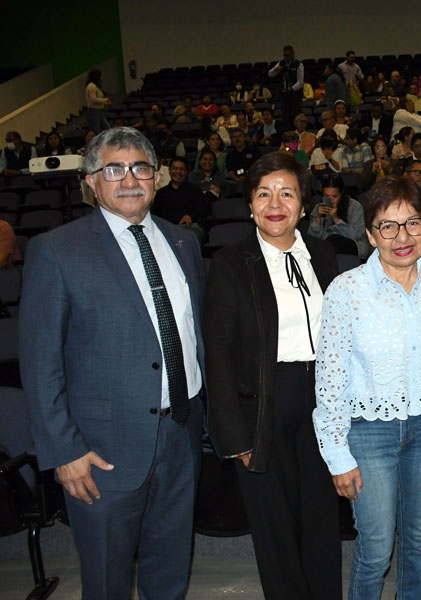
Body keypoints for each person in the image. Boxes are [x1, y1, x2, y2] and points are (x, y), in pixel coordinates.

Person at [19, 127, 206, 598]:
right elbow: (41, 364)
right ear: (91, 181)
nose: (129, 179)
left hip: (181, 435)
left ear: (157, 177)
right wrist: (64, 452)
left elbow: (193, 336)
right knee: (107, 579)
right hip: (100, 452)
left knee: (169, 570)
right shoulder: (56, 250)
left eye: (141, 168)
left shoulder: (183, 242)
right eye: (114, 169)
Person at [313, 174, 421, 598]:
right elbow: (329, 377)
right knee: (377, 548)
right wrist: (337, 453)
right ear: (370, 233)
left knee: (418, 541)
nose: (402, 236)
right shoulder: (347, 291)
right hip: (369, 433)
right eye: (388, 225)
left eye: (413, 223)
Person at [204, 151, 341, 599]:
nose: (275, 203)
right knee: (274, 523)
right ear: (249, 205)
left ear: (303, 205)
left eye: (287, 193)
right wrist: (233, 435)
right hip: (261, 403)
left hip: (320, 398)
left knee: (322, 517)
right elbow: (218, 356)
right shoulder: (229, 263)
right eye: (263, 194)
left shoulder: (322, 255)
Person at [309, 173, 369, 257]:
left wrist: (336, 219)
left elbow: (356, 236)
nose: (330, 200)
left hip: (352, 247)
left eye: (334, 196)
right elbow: (313, 240)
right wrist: (318, 219)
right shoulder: (318, 208)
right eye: (326, 196)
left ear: (342, 193)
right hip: (327, 249)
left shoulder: (355, 207)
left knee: (334, 241)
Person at [153, 156, 212, 231]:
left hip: (189, 228)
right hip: (167, 229)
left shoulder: (194, 190)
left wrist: (190, 216)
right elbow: (155, 216)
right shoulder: (161, 193)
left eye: (182, 169)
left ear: (187, 172)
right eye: (175, 168)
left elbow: (204, 210)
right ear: (169, 170)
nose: (178, 172)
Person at [269, 45, 305, 125]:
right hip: (284, 96)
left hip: (295, 96)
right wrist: (275, 70)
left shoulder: (298, 64)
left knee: (297, 116)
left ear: (293, 54)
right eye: (285, 56)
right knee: (285, 117)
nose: (287, 58)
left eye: (288, 55)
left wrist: (292, 88)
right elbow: (270, 74)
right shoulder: (281, 63)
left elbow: (300, 82)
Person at [85, 68, 111, 133]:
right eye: (101, 76)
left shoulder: (94, 86)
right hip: (94, 111)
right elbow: (92, 99)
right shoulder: (91, 86)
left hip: (99, 111)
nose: (102, 77)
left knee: (107, 128)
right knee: (96, 130)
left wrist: (104, 102)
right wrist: (104, 100)